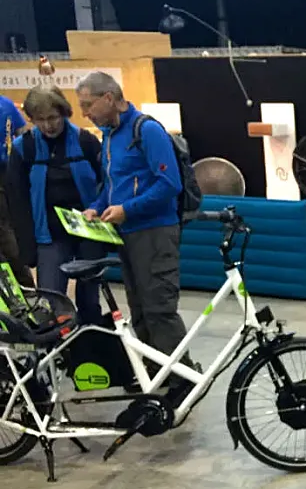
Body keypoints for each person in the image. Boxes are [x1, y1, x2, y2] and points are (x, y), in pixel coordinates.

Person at [74, 72, 197, 389]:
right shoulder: (110, 135)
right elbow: (112, 185)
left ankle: (183, 377)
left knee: (159, 308)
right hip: (125, 234)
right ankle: (155, 372)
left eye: (88, 105)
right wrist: (96, 206)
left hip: (155, 233)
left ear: (109, 98)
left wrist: (128, 209)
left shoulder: (148, 131)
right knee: (139, 309)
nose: (85, 113)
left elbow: (170, 185)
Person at [5, 87, 104, 322]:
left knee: (90, 300)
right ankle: (60, 353)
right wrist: (26, 250)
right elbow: (16, 200)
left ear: (64, 113)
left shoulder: (85, 141)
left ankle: (92, 346)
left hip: (87, 232)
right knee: (52, 300)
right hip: (48, 235)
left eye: (53, 118)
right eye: (40, 120)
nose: (48, 125)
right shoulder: (23, 148)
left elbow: (106, 184)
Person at [0, 93, 32, 287]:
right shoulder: (6, 103)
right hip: (8, 171)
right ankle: (25, 285)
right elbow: (23, 133)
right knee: (6, 229)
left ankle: (22, 285)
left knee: (4, 232)